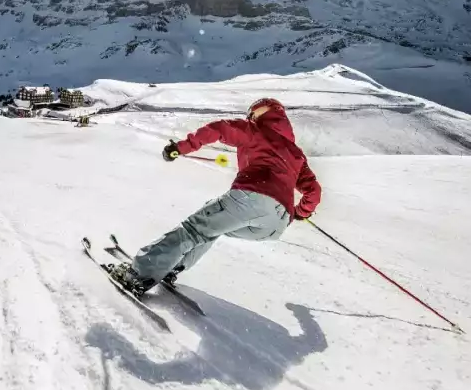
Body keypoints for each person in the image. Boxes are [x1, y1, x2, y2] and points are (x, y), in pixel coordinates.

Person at [110, 98, 321, 295]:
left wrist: (180, 147)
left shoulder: (257, 131)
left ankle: (138, 275)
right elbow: (313, 190)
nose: (250, 116)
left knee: (194, 230)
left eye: (254, 112)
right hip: (276, 225)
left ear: (268, 113)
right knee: (213, 228)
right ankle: (172, 267)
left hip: (252, 197)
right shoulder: (296, 154)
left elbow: (220, 129)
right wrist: (299, 212)